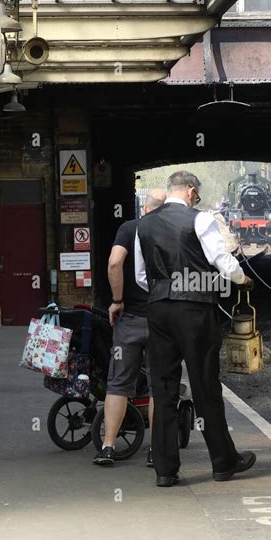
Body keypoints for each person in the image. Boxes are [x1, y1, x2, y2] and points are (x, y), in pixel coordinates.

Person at [135, 170, 255, 487]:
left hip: (158, 309)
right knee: (205, 385)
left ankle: (164, 469)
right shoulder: (199, 220)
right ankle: (223, 462)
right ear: (190, 191)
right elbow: (221, 260)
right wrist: (242, 279)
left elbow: (140, 275)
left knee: (162, 389)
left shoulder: (143, 224)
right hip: (195, 310)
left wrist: (164, 289)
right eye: (196, 193)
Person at [93, 188, 167, 466]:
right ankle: (155, 450)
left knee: (118, 385)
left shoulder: (129, 228)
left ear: (145, 209)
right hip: (163, 320)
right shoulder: (172, 231)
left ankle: (108, 447)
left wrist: (117, 301)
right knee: (159, 386)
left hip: (130, 321)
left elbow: (114, 263)